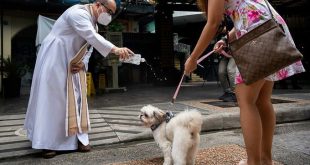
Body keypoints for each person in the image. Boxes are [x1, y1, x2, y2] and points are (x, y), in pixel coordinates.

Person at [184, 0, 305, 165]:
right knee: (262, 100)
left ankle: (253, 162)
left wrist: (193, 58)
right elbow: (244, 8)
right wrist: (227, 39)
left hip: (256, 34)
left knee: (246, 101)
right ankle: (265, 159)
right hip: (268, 27)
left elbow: (213, 23)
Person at [24, 0, 134, 159]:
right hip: (55, 56)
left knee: (77, 98)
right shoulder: (78, 13)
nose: (109, 16)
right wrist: (115, 49)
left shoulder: (93, 22)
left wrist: (83, 62)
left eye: (111, 13)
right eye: (108, 11)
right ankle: (46, 143)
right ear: (98, 4)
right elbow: (91, 36)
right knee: (52, 98)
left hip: (74, 61)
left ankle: (78, 138)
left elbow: (89, 46)